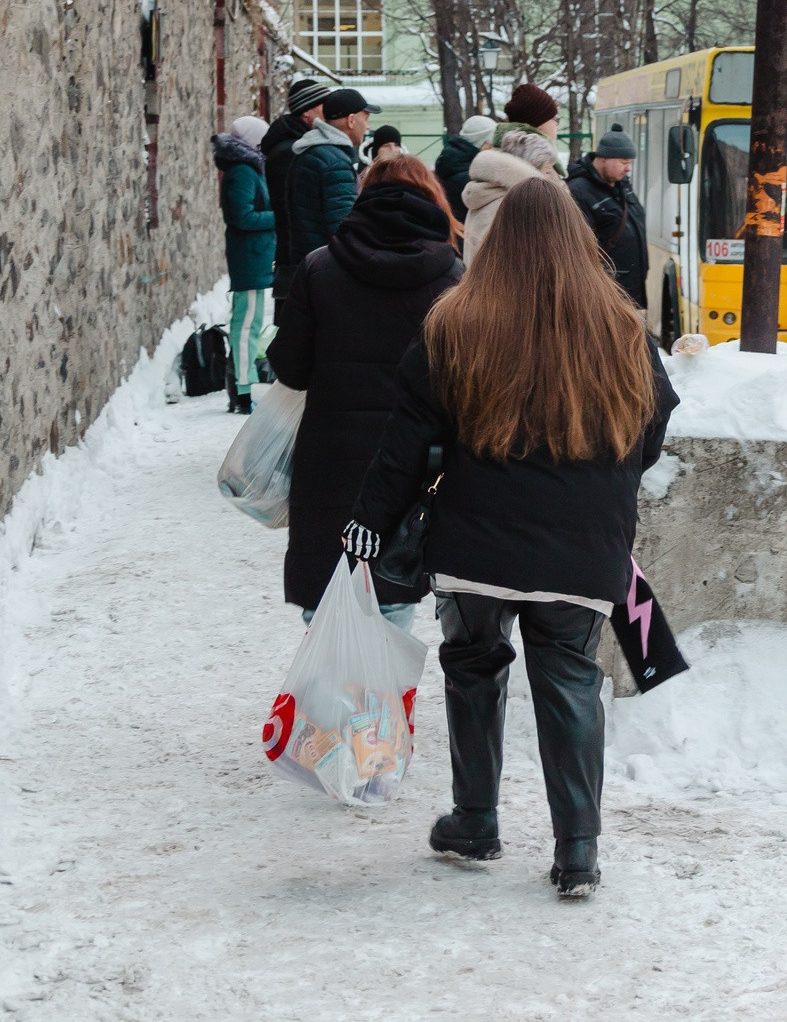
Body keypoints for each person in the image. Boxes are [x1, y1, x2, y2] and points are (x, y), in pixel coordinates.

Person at [343, 177, 677, 899]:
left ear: (495, 244)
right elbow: (653, 428)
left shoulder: (456, 322)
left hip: (475, 547)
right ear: (577, 241)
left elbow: (404, 445)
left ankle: (475, 818)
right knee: (568, 682)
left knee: (472, 668)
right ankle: (578, 851)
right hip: (583, 551)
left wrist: (368, 520)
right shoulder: (621, 329)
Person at [264, 156, 465, 631]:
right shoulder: (451, 276)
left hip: (328, 457)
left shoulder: (319, 267)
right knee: (393, 595)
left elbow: (289, 368)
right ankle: (382, 705)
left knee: (327, 597)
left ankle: (329, 698)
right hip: (411, 463)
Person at [212, 114, 276, 413]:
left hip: (254, 256)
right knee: (245, 326)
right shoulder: (243, 172)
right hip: (249, 257)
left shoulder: (246, 169)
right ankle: (242, 390)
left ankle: (242, 387)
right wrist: (280, 216)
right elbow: (243, 217)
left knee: (249, 324)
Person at [264, 75, 337, 303]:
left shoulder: (297, 145)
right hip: (297, 256)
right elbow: (291, 209)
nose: (330, 112)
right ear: (307, 113)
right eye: (323, 106)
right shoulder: (290, 151)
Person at [292, 88, 378, 261]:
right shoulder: (335, 162)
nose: (367, 126)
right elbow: (343, 226)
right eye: (366, 118)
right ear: (351, 120)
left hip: (310, 260)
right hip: (326, 264)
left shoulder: (315, 152)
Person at [568, 127, 648, 305]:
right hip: (602, 296)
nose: (628, 169)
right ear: (603, 158)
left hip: (628, 293)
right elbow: (579, 248)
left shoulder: (621, 186)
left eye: (630, 163)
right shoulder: (578, 190)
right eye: (623, 162)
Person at [460, 132, 561, 258]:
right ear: (529, 169)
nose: (550, 178)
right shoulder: (513, 204)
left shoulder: (491, 195)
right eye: (547, 171)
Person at [434, 112, 495, 221]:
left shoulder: (452, 161)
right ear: (483, 144)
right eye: (492, 144)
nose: (494, 148)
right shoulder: (470, 177)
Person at [496, 82, 560, 152]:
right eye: (555, 119)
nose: (556, 124)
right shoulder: (538, 160)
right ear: (538, 123)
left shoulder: (513, 155)